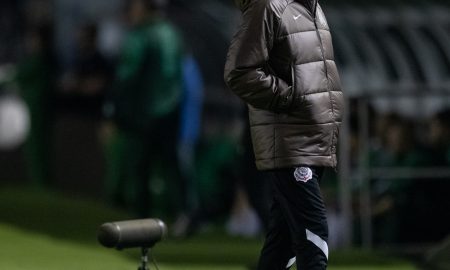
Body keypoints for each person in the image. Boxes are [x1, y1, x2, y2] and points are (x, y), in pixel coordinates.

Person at [224, 0, 344, 269]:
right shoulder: (268, 7)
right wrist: (290, 98)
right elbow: (239, 72)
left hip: (314, 141)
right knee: (314, 234)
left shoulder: (312, 7)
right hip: (292, 142)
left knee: (283, 243)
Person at [104, 0, 184, 217]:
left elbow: (127, 77)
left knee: (140, 169)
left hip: (143, 115)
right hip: (171, 112)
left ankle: (142, 218)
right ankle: (180, 216)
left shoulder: (140, 36)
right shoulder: (172, 34)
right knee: (170, 167)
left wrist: (113, 110)